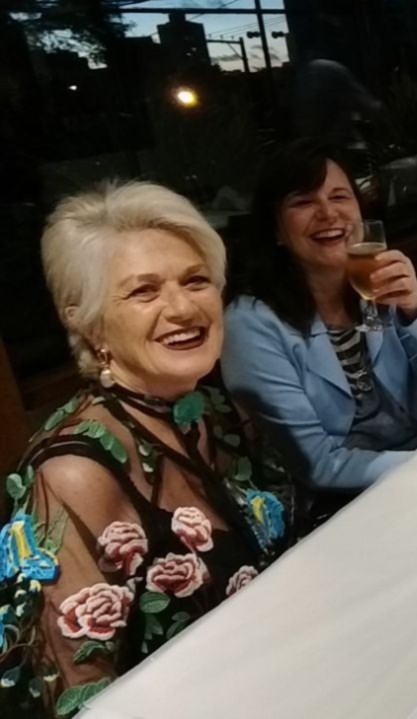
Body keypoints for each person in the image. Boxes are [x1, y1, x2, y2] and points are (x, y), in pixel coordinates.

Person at [0, 182, 295, 718]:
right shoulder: (74, 472)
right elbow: (77, 697)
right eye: (144, 291)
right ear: (85, 321)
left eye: (196, 280)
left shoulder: (217, 412)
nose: (182, 308)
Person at [221, 140, 417, 513]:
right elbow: (317, 464)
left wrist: (416, 305)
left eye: (340, 197)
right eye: (304, 202)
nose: (328, 213)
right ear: (276, 229)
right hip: (347, 503)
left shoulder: (377, 284)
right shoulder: (251, 324)